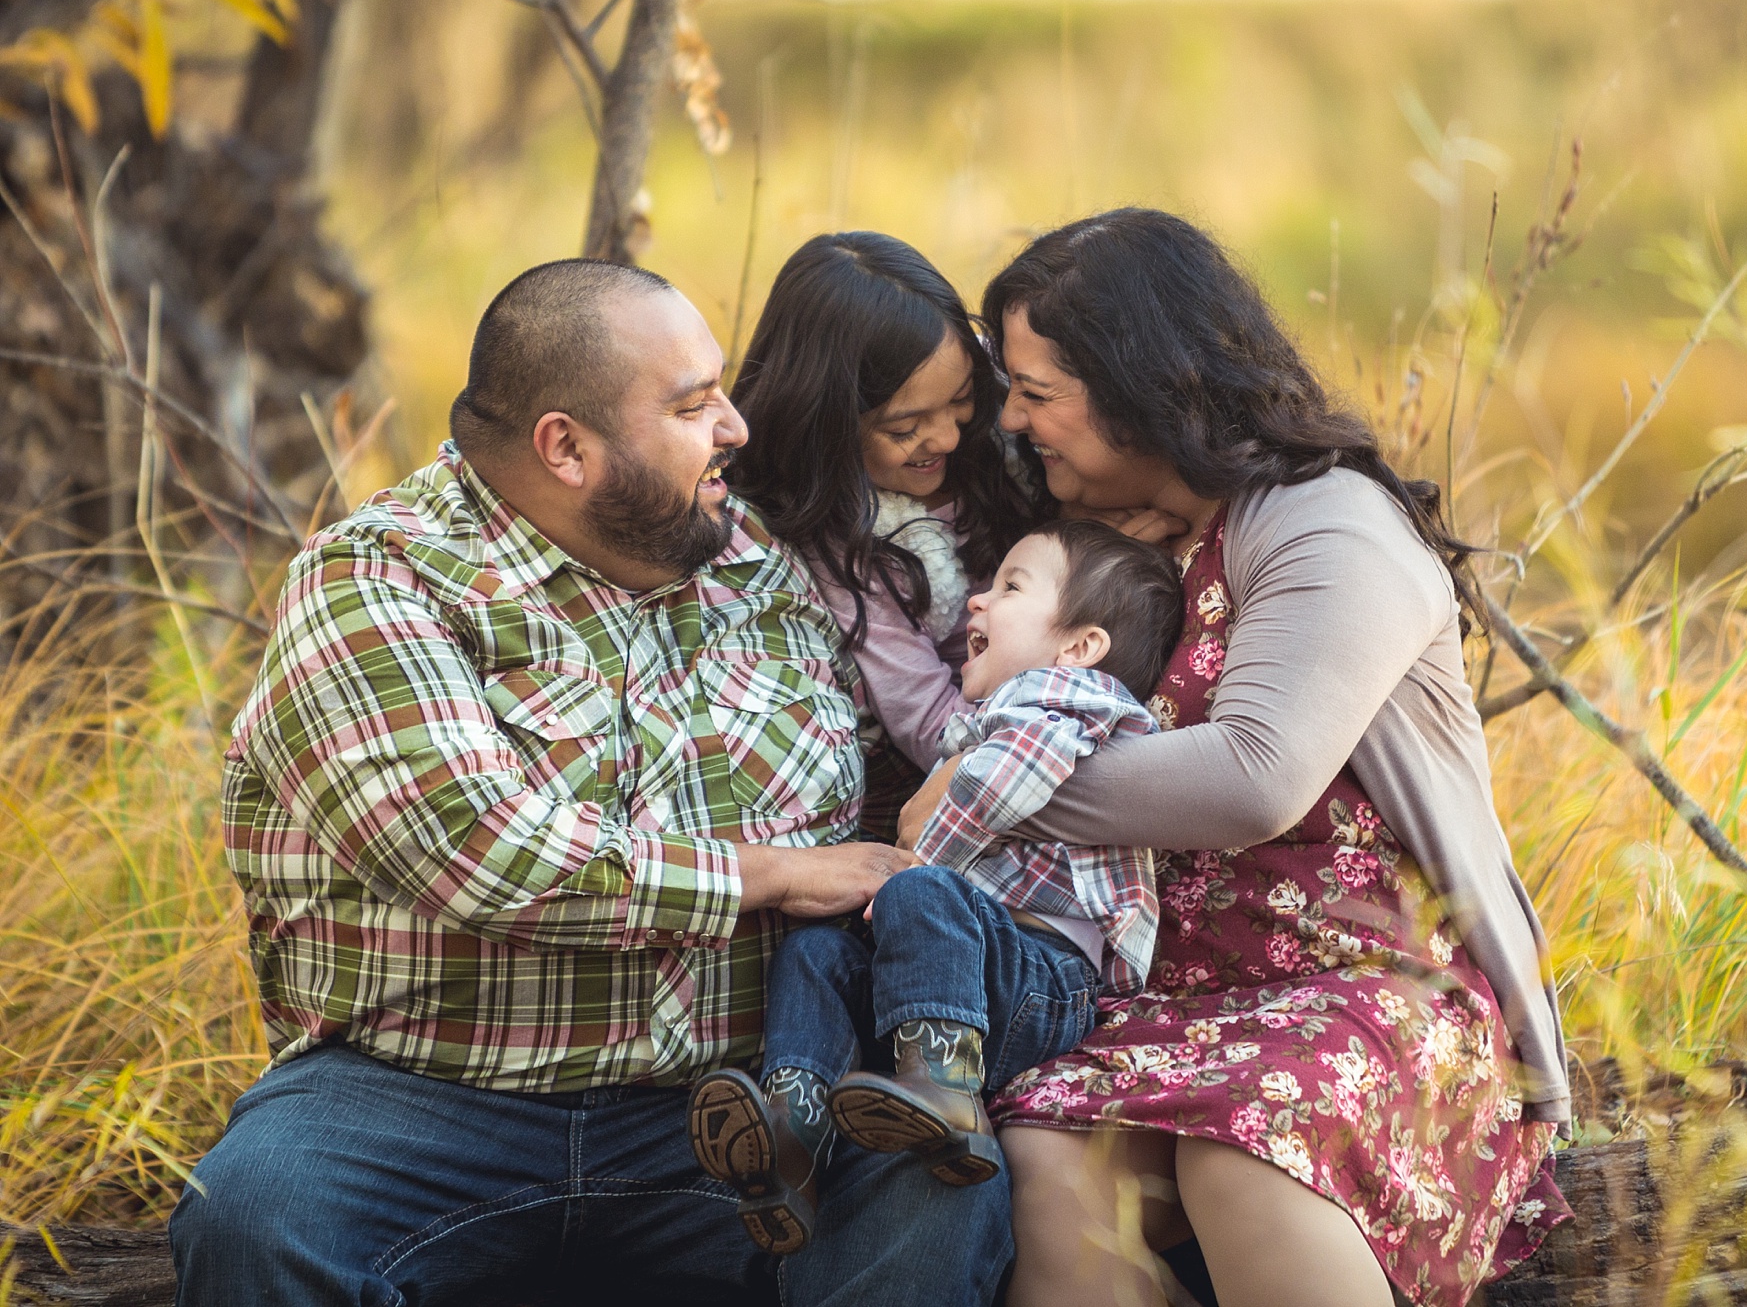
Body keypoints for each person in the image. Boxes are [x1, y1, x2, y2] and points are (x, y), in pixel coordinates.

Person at [170, 259, 1012, 1307]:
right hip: (421, 1097)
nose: (735, 429)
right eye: (693, 405)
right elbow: (478, 849)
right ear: (563, 445)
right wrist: (771, 875)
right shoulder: (376, 582)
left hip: (740, 1107)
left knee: (939, 1182)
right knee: (255, 1211)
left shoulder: (760, 568)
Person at [899, 209, 1576, 1307]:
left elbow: (1255, 774)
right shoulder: (1114, 550)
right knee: (1046, 1160)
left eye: (1034, 391)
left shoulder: (1323, 521)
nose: (1012, 424)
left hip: (1366, 989)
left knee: (1244, 1151)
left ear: (1140, 382)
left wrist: (984, 796)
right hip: (1170, 1007)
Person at [687, 518, 1183, 1258]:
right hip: (968, 971)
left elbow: (1001, 786)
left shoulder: (1075, 698)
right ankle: (794, 1122)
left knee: (923, 896)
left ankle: (945, 1090)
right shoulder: (992, 713)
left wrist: (910, 861)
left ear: (1079, 646)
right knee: (818, 952)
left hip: (1041, 979)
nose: (977, 602)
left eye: (1010, 587)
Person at [726, 231, 1046, 841]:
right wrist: (1039, 752)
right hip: (983, 758)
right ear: (827, 426)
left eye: (960, 401)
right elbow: (926, 721)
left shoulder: (1003, 445)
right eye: (905, 426)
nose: (948, 438)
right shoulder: (845, 548)